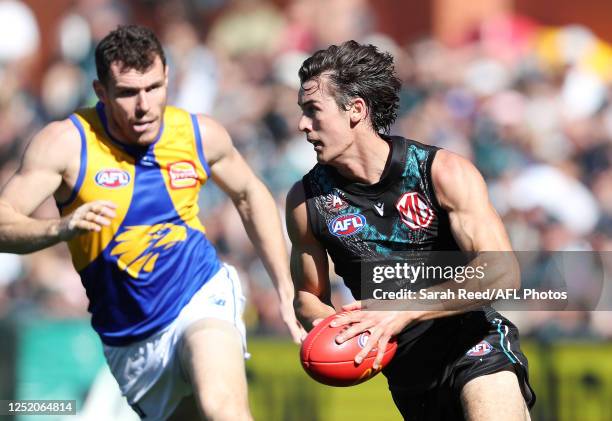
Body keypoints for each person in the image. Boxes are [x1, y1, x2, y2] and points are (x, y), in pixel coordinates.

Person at [0, 25, 304, 421]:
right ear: (101, 91)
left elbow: (250, 193)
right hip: (131, 341)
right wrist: (59, 229)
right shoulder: (67, 144)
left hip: (199, 294)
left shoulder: (198, 133)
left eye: (154, 87)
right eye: (127, 92)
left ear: (167, 80)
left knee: (223, 409)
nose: (144, 105)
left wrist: (284, 287)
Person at [286, 40, 535, 420]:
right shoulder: (307, 201)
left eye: (313, 111)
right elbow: (307, 294)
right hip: (407, 374)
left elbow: (503, 273)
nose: (303, 124)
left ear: (355, 110)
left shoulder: (442, 172)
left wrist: (402, 309)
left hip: (475, 345)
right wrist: (335, 328)